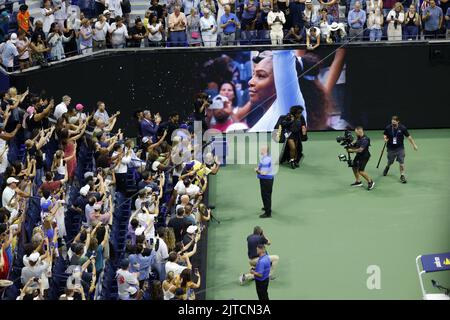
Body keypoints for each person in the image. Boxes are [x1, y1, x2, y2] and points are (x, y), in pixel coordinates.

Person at [382, 116, 418, 183]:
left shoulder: (402, 128)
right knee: (390, 162)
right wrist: (385, 139)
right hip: (390, 148)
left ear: (398, 121)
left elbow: (409, 137)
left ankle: (402, 175)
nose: (393, 123)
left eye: (394, 121)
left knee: (401, 162)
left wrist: (414, 145)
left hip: (400, 148)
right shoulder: (388, 128)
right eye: (392, 121)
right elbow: (385, 134)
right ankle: (387, 167)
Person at [346, 126, 375, 190]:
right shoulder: (359, 137)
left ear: (360, 131)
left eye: (356, 132)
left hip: (364, 156)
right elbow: (356, 144)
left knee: (360, 171)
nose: (355, 134)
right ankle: (358, 181)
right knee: (354, 166)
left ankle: (370, 182)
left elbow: (360, 150)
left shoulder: (366, 139)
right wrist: (350, 145)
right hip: (359, 155)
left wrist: (351, 150)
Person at [255, 146, 274, 218]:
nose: (261, 150)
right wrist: (258, 169)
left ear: (266, 151)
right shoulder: (263, 157)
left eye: (263, 149)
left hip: (267, 179)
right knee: (264, 194)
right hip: (263, 178)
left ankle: (268, 213)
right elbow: (260, 166)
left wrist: (260, 171)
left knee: (266, 195)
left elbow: (266, 171)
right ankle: (267, 207)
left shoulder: (269, 159)